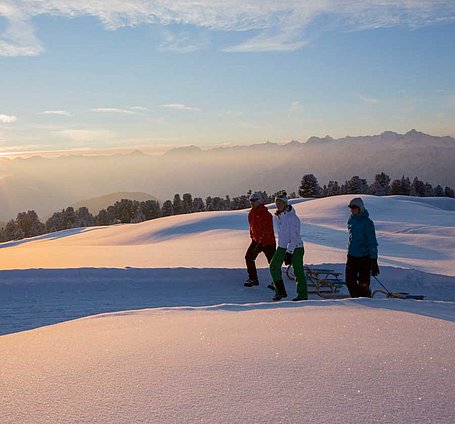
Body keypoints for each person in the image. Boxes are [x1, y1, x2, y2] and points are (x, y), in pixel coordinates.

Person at [269, 192, 308, 301]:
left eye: (280, 203)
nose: (278, 205)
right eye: (276, 202)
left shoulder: (293, 218)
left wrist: (289, 253)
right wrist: (283, 249)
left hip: (296, 248)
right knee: (273, 266)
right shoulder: (277, 217)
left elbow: (294, 238)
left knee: (298, 271)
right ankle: (280, 291)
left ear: (285, 203)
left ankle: (302, 295)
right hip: (282, 247)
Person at [346, 197, 379, 298]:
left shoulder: (368, 223)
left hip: (364, 257)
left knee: (363, 284)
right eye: (351, 208)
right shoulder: (351, 220)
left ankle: (365, 299)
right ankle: (356, 299)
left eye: (354, 207)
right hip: (352, 255)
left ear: (360, 208)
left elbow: (372, 241)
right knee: (349, 281)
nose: (352, 210)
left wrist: (373, 259)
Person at [244, 192, 276, 287]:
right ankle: (253, 279)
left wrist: (260, 241)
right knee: (249, 257)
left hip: (268, 242)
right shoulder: (251, 214)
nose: (252, 203)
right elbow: (252, 227)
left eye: (254, 201)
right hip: (256, 241)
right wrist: (253, 237)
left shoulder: (266, 215)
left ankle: (276, 282)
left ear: (259, 201)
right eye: (251, 201)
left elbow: (267, 230)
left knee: (273, 263)